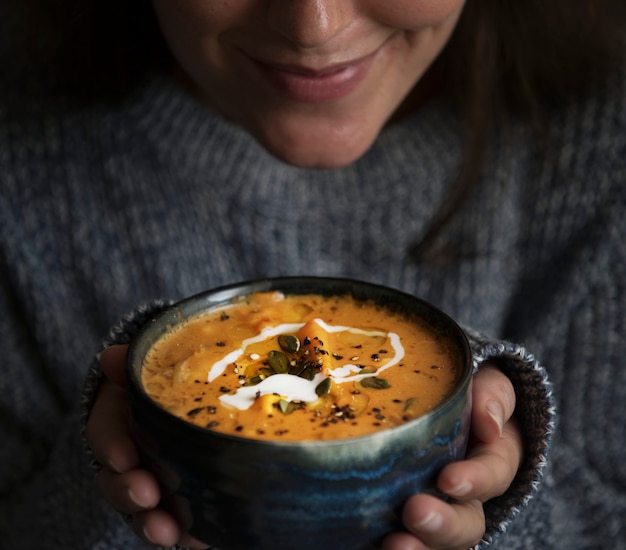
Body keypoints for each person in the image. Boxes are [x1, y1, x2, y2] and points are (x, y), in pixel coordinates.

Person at [0, 0, 624, 548]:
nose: (314, 28)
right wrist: (125, 478)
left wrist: (498, 506)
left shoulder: (602, 140)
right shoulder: (20, 142)